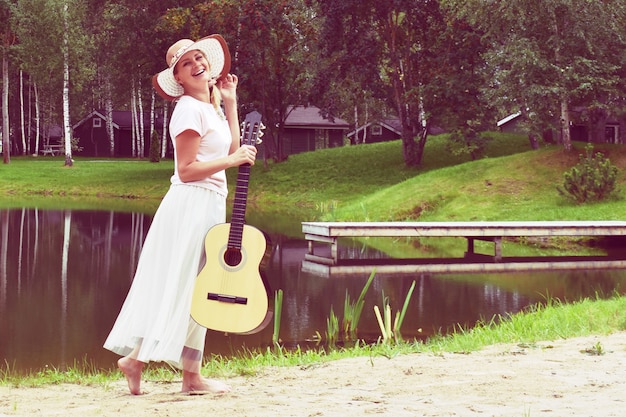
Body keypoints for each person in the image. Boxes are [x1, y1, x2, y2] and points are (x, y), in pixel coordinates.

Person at [103, 34, 257, 395]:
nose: (197, 64)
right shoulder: (187, 109)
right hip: (190, 202)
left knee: (198, 286)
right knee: (186, 284)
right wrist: (233, 161)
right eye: (187, 63)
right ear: (180, 79)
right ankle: (153, 364)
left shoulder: (210, 108)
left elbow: (231, 149)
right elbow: (187, 169)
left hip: (209, 203)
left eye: (199, 58)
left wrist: (231, 104)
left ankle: (178, 373)